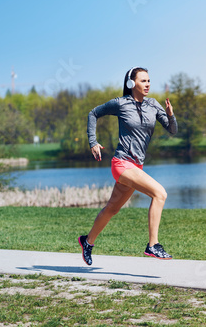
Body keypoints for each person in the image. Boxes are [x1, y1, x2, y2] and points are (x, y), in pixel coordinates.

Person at [78, 67, 178, 266]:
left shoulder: (153, 105)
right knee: (160, 193)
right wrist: (93, 142)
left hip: (136, 167)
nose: (148, 84)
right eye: (143, 81)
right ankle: (153, 245)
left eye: (149, 80)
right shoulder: (121, 104)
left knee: (111, 209)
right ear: (132, 84)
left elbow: (172, 130)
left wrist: (170, 115)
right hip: (122, 164)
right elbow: (93, 113)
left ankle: (87, 242)